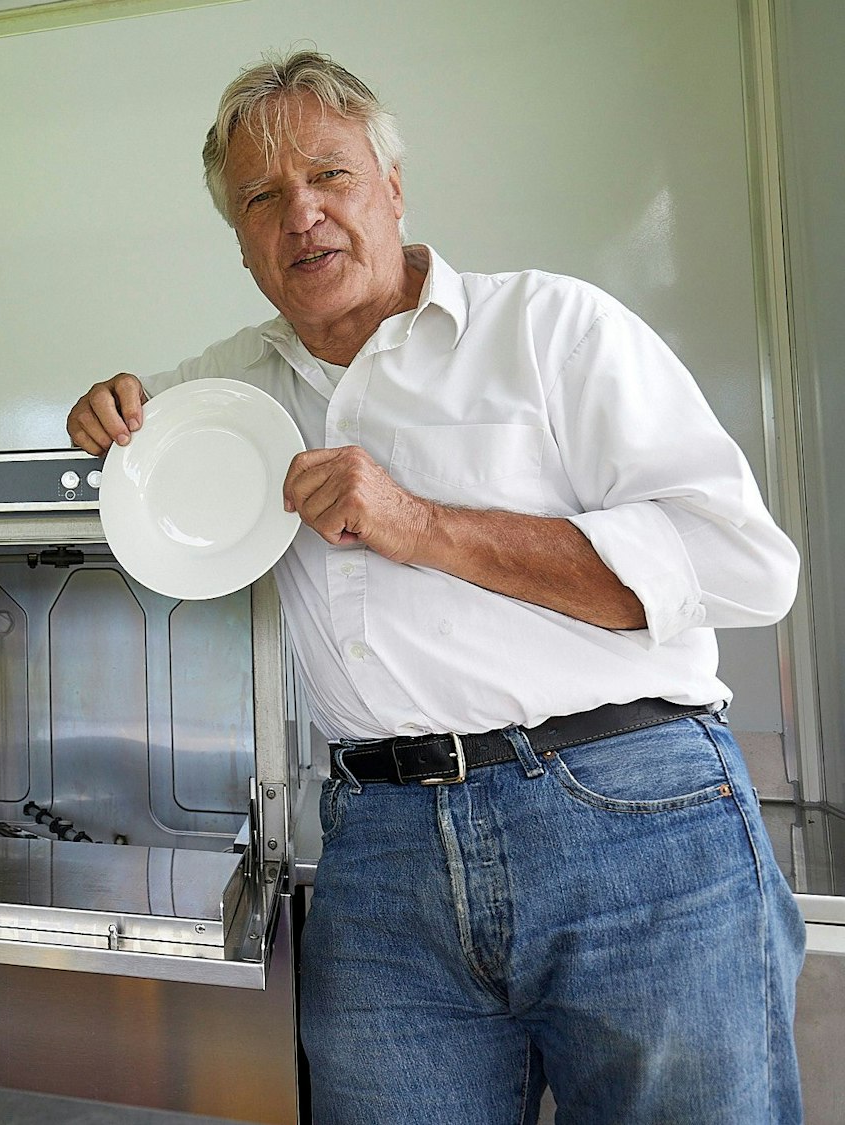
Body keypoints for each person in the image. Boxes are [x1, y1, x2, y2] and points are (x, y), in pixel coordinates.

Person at [66, 51, 803, 1124]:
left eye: (329, 176)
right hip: (380, 848)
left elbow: (744, 567)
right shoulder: (223, 392)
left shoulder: (551, 329)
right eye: (261, 198)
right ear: (238, 240)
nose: (300, 215)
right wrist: (100, 414)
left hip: (627, 810)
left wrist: (420, 527)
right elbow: (118, 457)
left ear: (392, 187)